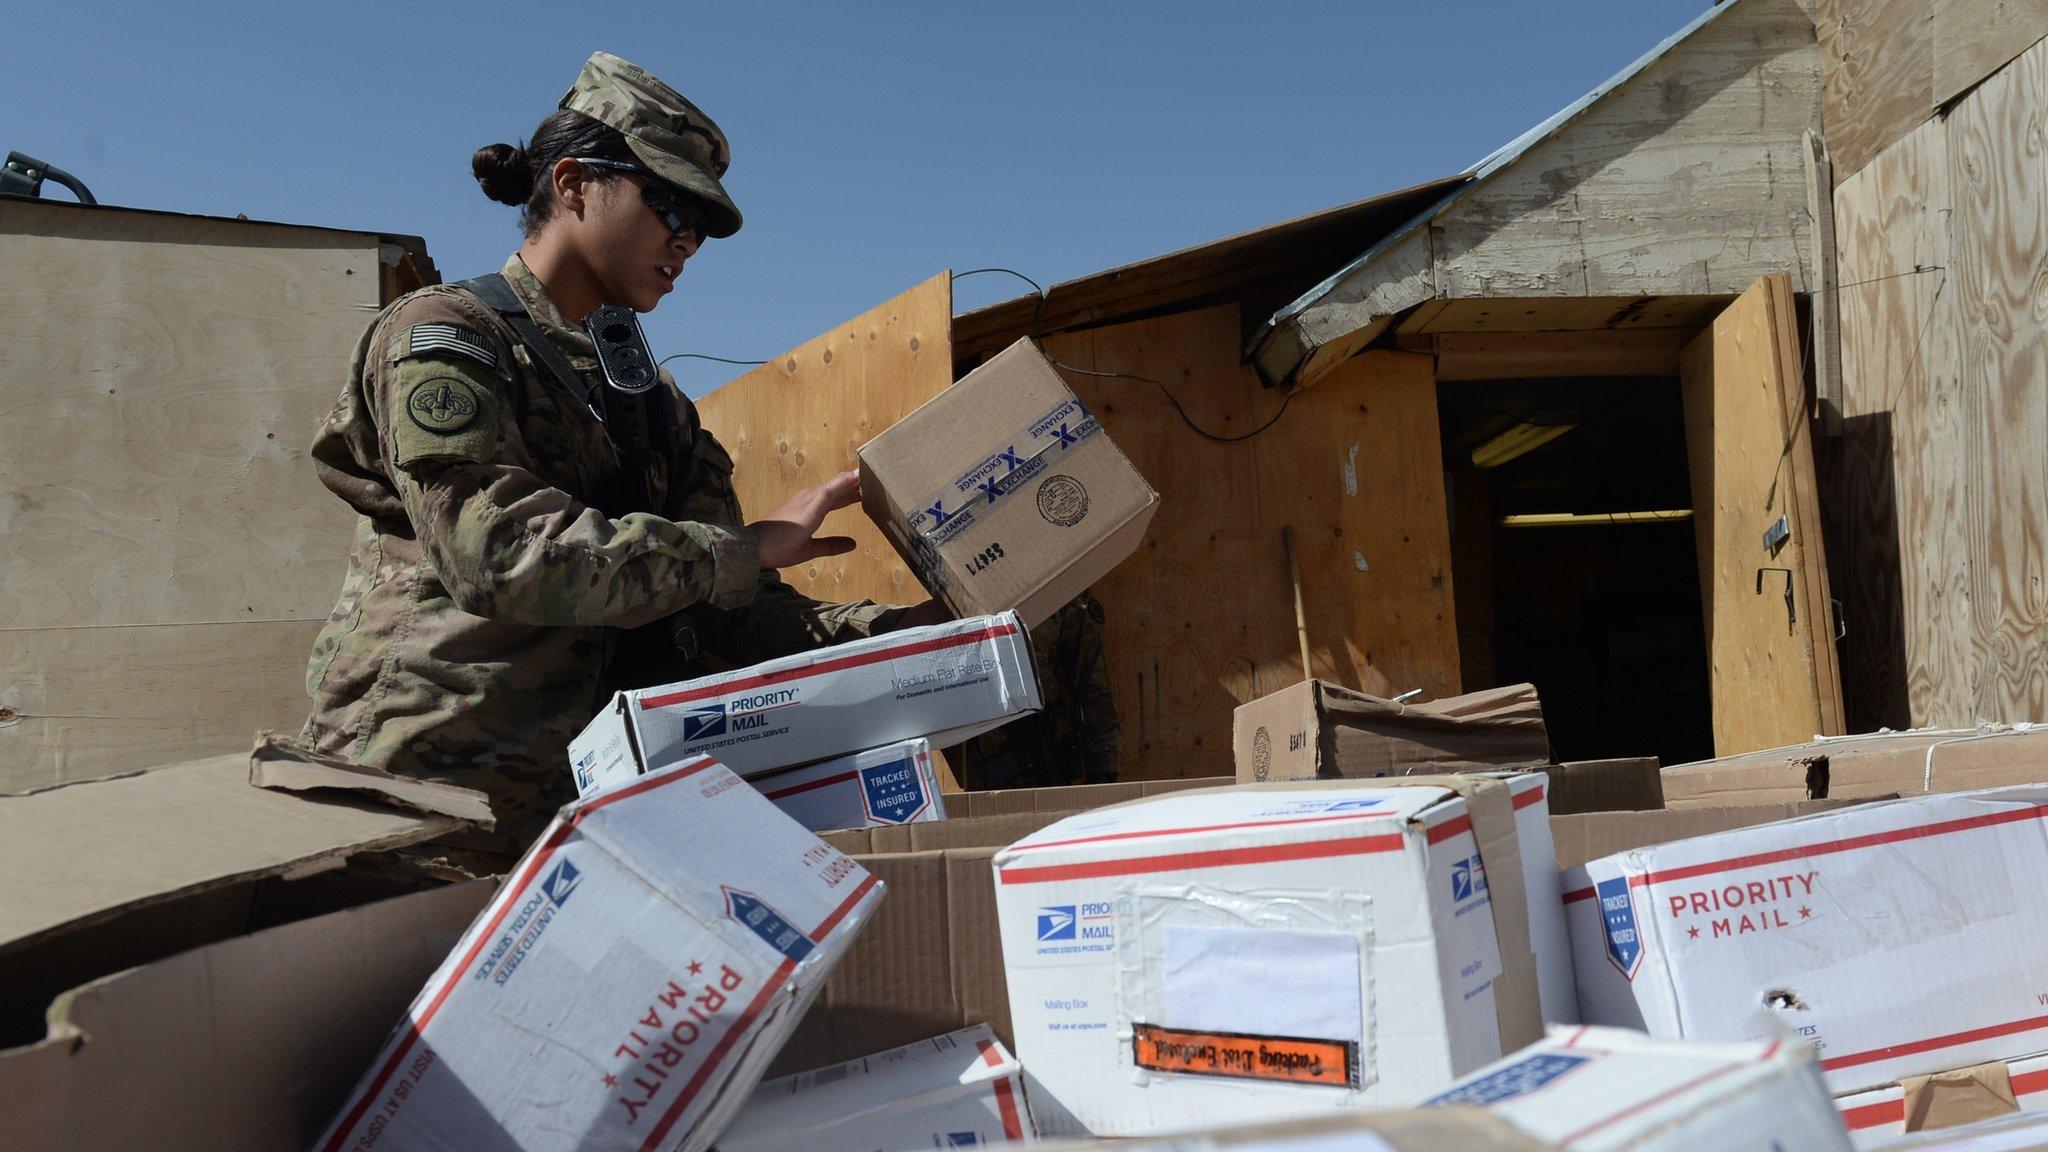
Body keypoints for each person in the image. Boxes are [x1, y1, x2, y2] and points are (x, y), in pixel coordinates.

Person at [295, 52, 941, 873]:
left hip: (582, 823)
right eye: (669, 204)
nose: (687, 242)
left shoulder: (652, 404)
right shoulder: (447, 336)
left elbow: (726, 610)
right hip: (424, 806)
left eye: (701, 226)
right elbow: (495, 554)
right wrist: (735, 552)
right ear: (572, 184)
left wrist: (919, 640)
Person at [958, 590, 1124, 788]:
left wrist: (1103, 767)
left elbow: (1092, 684)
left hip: (1044, 758)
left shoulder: (1056, 593)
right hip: (979, 770)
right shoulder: (951, 594)